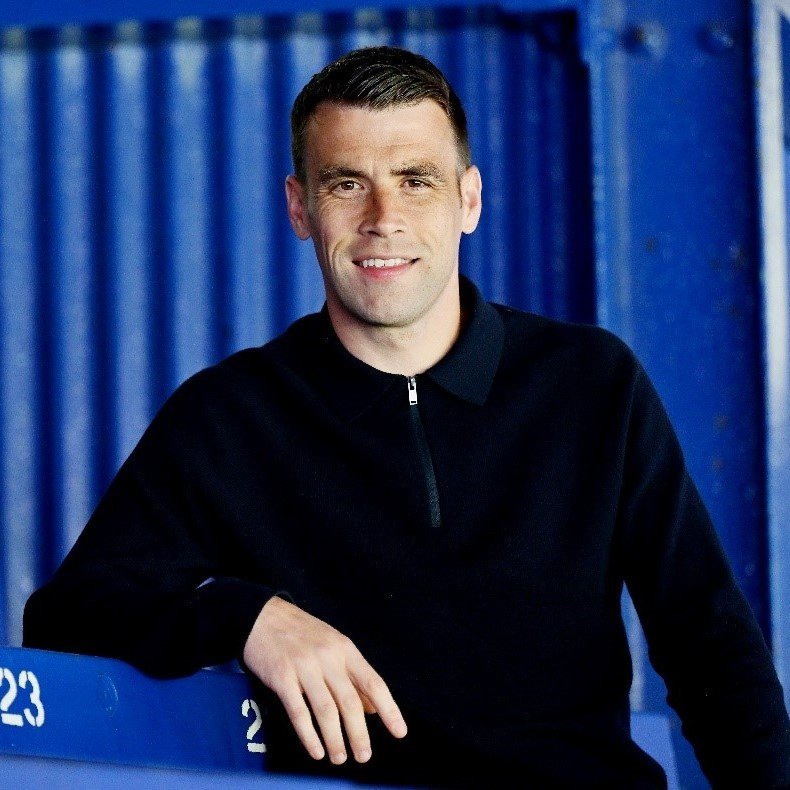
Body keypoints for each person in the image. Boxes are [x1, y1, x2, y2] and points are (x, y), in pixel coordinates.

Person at [22, 45, 790, 789]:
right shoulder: (231, 417)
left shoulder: (591, 383)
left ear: (469, 200)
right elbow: (69, 616)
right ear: (300, 207)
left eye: (416, 181)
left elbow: (709, 644)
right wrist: (247, 616)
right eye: (346, 184)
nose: (383, 218)